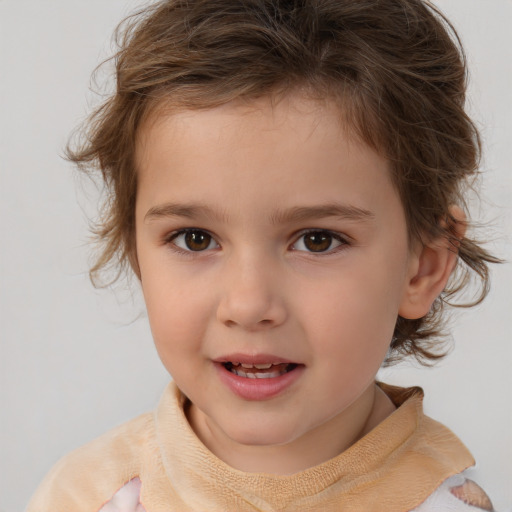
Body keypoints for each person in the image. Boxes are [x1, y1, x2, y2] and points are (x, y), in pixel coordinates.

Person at [26, 0, 502, 510]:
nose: (249, 304)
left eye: (317, 240)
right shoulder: (86, 496)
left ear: (423, 264)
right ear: (136, 252)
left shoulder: (445, 503)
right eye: (196, 239)